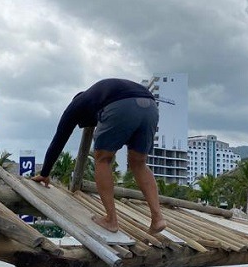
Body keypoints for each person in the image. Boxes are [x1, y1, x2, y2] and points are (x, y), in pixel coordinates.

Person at [31, 78, 167, 235]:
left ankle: (111, 220)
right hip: (150, 107)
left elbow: (59, 140)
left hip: (121, 105)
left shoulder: (75, 107)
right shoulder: (97, 95)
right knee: (139, 163)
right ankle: (158, 219)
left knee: (103, 160)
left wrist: (44, 173)